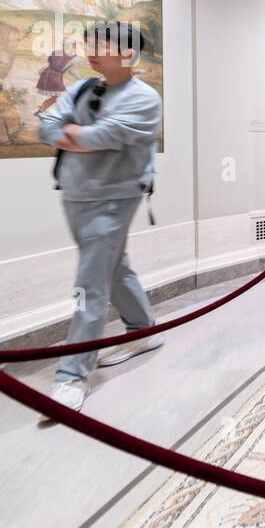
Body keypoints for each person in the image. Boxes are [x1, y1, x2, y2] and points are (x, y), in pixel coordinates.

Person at [36, 21, 163, 416]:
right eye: (90, 42)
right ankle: (143, 329)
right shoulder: (82, 88)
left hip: (113, 198)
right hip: (74, 192)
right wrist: (71, 134)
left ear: (128, 53)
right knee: (111, 267)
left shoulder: (144, 98)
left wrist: (71, 133)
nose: (92, 50)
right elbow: (45, 125)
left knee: (89, 282)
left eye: (101, 44)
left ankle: (72, 374)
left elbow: (99, 138)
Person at [33, 47, 84, 118]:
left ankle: (41, 110)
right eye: (72, 47)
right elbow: (51, 63)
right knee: (61, 96)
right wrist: (80, 78)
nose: (73, 50)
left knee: (59, 96)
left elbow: (70, 69)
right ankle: (43, 110)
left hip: (52, 75)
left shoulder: (69, 57)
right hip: (53, 76)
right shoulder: (60, 54)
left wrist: (80, 78)